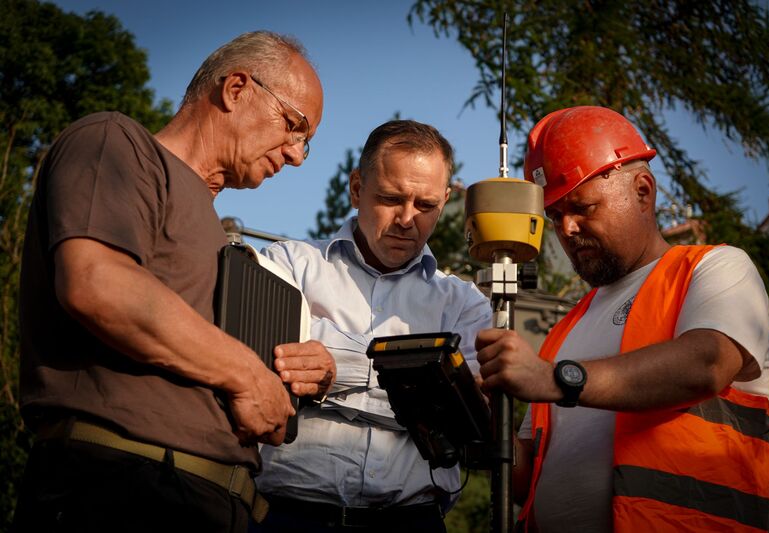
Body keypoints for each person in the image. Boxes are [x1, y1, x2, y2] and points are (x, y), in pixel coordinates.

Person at [13, 31, 335, 533]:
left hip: (213, 504)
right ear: (235, 89)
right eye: (294, 126)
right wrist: (246, 375)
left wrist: (296, 375)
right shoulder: (115, 141)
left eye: (305, 144)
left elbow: (221, 367)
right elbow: (97, 283)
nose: (295, 155)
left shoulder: (220, 239)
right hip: (122, 488)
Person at [475, 106, 769, 532]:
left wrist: (555, 379)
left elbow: (706, 364)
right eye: (555, 215)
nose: (568, 228)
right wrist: (483, 419)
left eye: (582, 206)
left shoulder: (716, 268)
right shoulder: (563, 331)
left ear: (642, 190)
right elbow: (526, 481)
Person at [250, 120, 493, 532]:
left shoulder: (466, 304)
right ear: (357, 188)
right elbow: (264, 373)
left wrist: (333, 368)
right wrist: (419, 382)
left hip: (412, 521)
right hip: (286, 515)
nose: (406, 218)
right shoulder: (287, 265)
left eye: (426, 205)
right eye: (391, 198)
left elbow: (462, 424)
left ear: (446, 200)